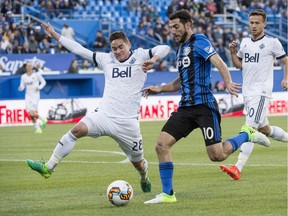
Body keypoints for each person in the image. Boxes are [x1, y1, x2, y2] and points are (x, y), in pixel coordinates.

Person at [142, 9, 270, 204]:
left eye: (176, 27)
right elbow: (180, 82)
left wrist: (227, 82)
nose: (172, 31)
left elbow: (219, 63)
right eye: (170, 28)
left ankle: (247, 134)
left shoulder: (200, 41)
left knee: (217, 155)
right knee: (161, 145)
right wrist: (159, 89)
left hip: (204, 107)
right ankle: (168, 194)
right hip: (185, 108)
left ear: (188, 24)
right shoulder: (181, 48)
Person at [25, 22, 170, 193]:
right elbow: (79, 49)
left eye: (120, 47)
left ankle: (144, 177)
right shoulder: (105, 59)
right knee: (77, 130)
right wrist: (54, 34)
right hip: (104, 116)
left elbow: (165, 47)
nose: (117, 51)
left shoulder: (140, 55)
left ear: (128, 44)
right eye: (114, 48)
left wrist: (153, 60)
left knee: (138, 162)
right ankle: (48, 167)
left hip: (128, 122)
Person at [220, 9, 288, 180]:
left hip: (261, 93)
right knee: (265, 129)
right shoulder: (244, 42)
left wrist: (286, 78)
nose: (254, 26)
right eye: (251, 23)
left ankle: (238, 167)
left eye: (257, 23)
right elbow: (238, 65)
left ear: (264, 24)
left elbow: (286, 61)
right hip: (248, 93)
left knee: (250, 129)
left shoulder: (272, 42)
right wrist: (233, 52)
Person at [18, 62, 47, 134]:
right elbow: (22, 85)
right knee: (30, 114)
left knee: (32, 112)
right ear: (26, 67)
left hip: (35, 95)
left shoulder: (37, 75)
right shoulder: (23, 76)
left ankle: (43, 119)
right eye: (28, 66)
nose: (29, 67)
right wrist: (21, 88)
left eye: (30, 66)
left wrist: (39, 87)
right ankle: (38, 128)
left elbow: (43, 82)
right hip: (27, 96)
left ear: (32, 67)